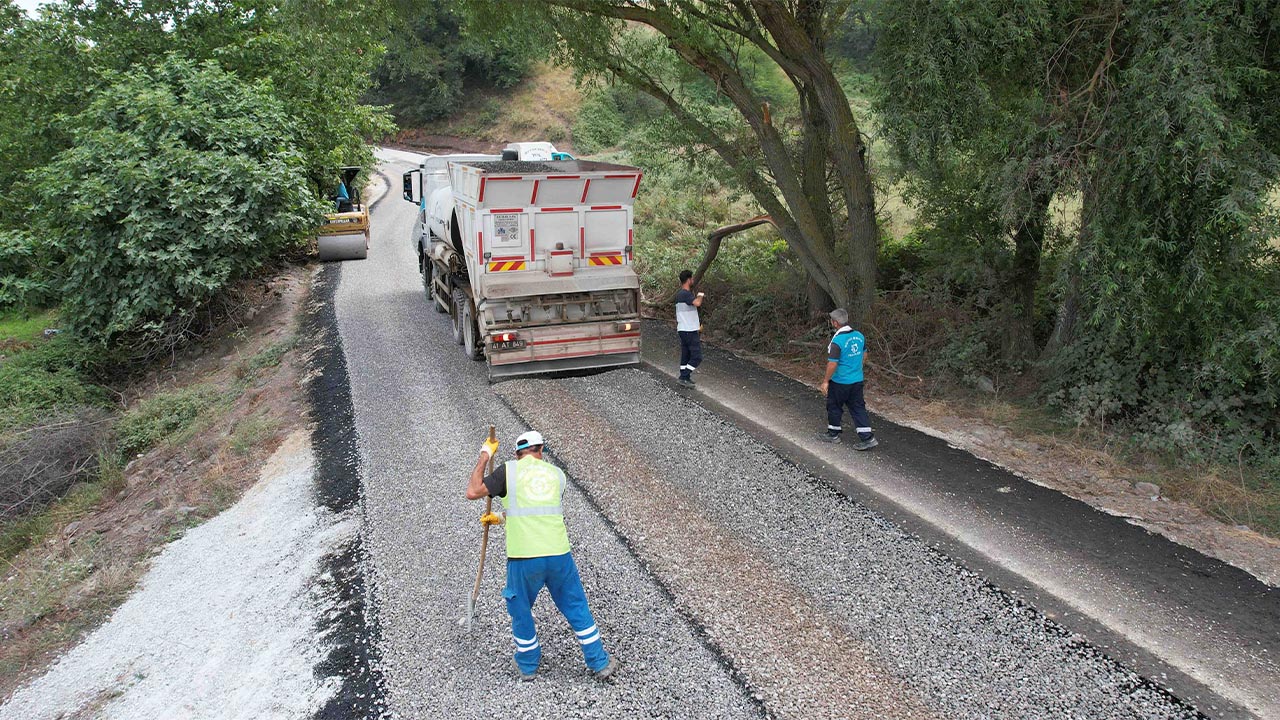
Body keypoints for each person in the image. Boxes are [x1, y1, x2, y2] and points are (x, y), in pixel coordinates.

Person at [467, 430, 619, 682]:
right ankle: (599, 662)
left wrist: (485, 455)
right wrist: (501, 518)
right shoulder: (557, 476)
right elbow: (536, 510)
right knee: (576, 606)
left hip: (524, 558)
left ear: (517, 453)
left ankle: (527, 665)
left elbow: (473, 491)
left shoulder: (509, 470)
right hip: (559, 555)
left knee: (521, 608)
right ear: (541, 450)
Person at [819, 308, 878, 450]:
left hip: (840, 381)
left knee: (834, 406)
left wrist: (826, 381)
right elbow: (864, 355)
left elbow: (833, 363)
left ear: (834, 323)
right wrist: (856, 368)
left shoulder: (837, 341)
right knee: (858, 407)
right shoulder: (859, 336)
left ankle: (833, 434)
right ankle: (868, 438)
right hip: (857, 380)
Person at [674, 269, 704, 387]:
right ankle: (684, 376)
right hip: (689, 330)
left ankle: (685, 376)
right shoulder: (685, 294)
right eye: (692, 279)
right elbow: (697, 303)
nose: (693, 281)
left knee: (686, 355)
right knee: (697, 357)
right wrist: (700, 295)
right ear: (688, 280)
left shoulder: (679, 295)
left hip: (683, 329)